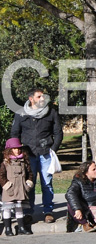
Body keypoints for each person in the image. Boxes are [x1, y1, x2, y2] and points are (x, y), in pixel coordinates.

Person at [10, 87, 63, 224]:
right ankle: (28, 212)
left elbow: (58, 133)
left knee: (47, 184)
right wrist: (18, 152)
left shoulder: (51, 113)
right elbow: (15, 134)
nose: (42, 99)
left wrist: (53, 149)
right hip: (28, 155)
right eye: (39, 97)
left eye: (43, 96)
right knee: (29, 184)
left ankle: (48, 211)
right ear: (31, 99)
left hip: (46, 154)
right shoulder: (21, 114)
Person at [1, 137, 35, 236]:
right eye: (14, 148)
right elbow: (2, 176)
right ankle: (8, 228)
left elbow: (30, 174)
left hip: (21, 189)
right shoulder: (5, 163)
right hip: (9, 190)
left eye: (19, 148)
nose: (17, 150)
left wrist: (28, 184)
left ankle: (21, 227)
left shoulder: (24, 161)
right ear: (9, 150)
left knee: (19, 208)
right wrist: (7, 186)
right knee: (7, 209)